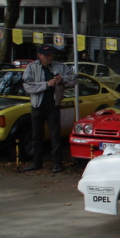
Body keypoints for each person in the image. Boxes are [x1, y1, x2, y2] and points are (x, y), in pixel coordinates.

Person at [22, 44, 77, 173]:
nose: (49, 57)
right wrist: (46, 84)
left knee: (55, 136)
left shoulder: (60, 66)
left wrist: (62, 79)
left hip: (53, 106)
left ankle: (57, 163)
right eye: (46, 55)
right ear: (39, 56)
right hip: (37, 106)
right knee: (37, 136)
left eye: (51, 54)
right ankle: (36, 162)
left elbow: (74, 79)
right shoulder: (31, 67)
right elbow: (27, 86)